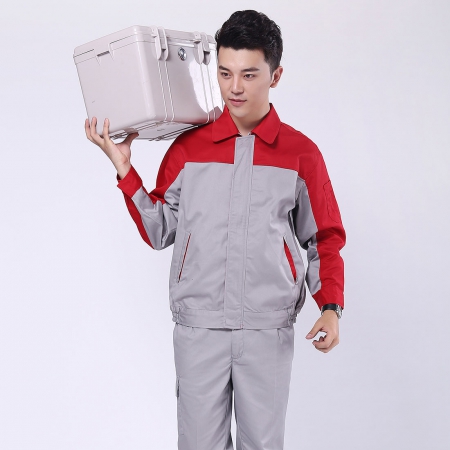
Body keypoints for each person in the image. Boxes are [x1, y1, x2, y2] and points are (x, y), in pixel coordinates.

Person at [85, 10, 346, 450]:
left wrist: (331, 306)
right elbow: (159, 231)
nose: (234, 87)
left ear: (275, 75)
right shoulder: (188, 148)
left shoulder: (301, 154)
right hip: (199, 328)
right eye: (225, 73)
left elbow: (323, 238)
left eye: (248, 74)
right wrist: (126, 171)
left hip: (266, 330)